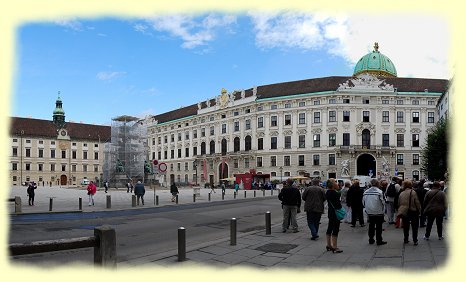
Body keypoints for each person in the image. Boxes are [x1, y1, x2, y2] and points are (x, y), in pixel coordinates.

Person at [362, 179, 387, 245]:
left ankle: (371, 239)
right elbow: (384, 201)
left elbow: (363, 202)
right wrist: (383, 209)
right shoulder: (379, 192)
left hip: (370, 211)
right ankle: (379, 240)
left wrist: (367, 208)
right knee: (379, 226)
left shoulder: (366, 192)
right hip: (379, 211)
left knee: (371, 225)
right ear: (377, 184)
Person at [397, 180, 421, 245]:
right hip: (413, 211)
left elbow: (399, 203)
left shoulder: (401, 193)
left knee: (405, 226)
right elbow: (417, 202)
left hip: (404, 211)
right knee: (414, 226)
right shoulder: (413, 192)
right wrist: (419, 210)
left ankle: (406, 239)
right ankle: (415, 240)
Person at [325, 178, 343, 253]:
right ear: (333, 185)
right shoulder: (335, 193)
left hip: (330, 212)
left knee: (330, 227)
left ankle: (329, 245)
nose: (336, 183)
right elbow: (338, 205)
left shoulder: (327, 192)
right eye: (335, 182)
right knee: (335, 229)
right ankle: (335, 246)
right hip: (336, 213)